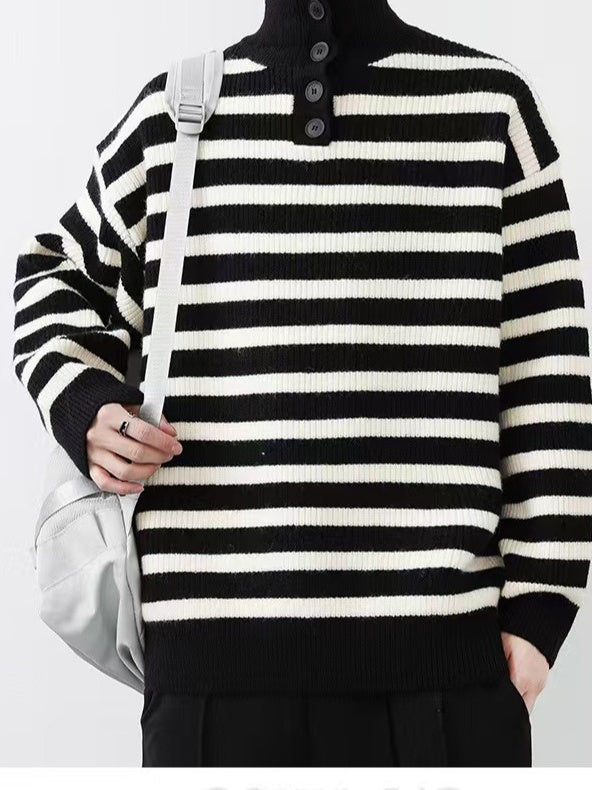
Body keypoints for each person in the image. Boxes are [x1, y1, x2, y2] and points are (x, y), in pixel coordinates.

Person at [12, 0, 592, 767]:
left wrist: (542, 608)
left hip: (446, 678)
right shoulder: (174, 114)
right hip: (208, 683)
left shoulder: (490, 107)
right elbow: (54, 276)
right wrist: (84, 408)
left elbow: (550, 366)